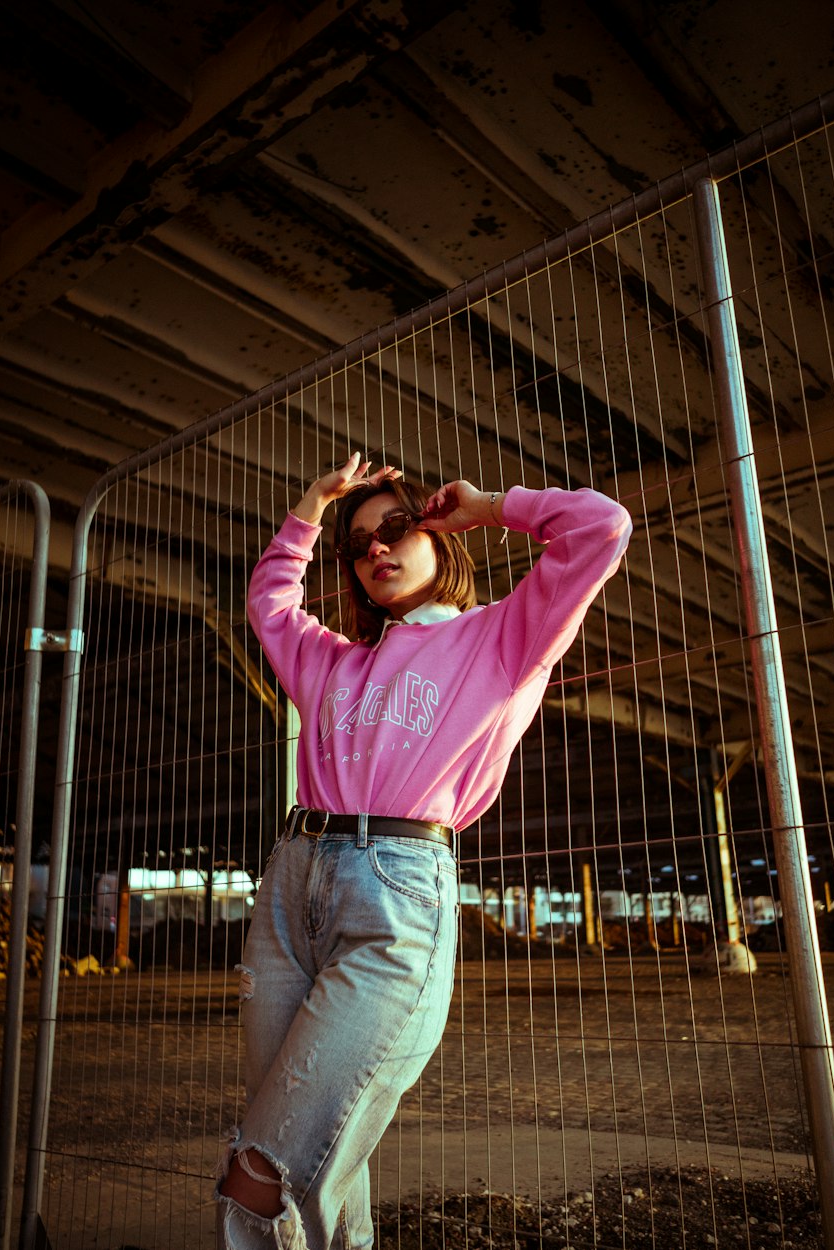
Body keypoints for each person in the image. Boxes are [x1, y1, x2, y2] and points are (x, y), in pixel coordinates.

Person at [216, 452, 632, 1250]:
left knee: (261, 1171)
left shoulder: (503, 637)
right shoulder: (335, 663)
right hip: (290, 892)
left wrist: (489, 505)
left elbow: (600, 527)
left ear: (442, 539)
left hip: (395, 894)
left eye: (397, 528)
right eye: (360, 543)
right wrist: (309, 507)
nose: (377, 548)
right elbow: (271, 605)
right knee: (322, 1166)